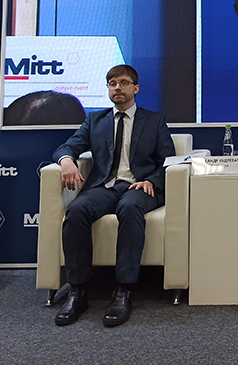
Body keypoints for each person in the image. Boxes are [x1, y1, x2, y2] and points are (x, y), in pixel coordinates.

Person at [51, 64, 174, 327]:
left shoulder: (154, 121)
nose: (118, 87)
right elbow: (67, 146)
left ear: (135, 88)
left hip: (140, 187)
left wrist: (151, 181)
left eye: (124, 83)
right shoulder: (95, 120)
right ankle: (77, 292)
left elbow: (168, 161)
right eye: (112, 83)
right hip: (104, 187)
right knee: (77, 210)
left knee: (130, 208)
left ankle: (123, 291)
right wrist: (66, 160)